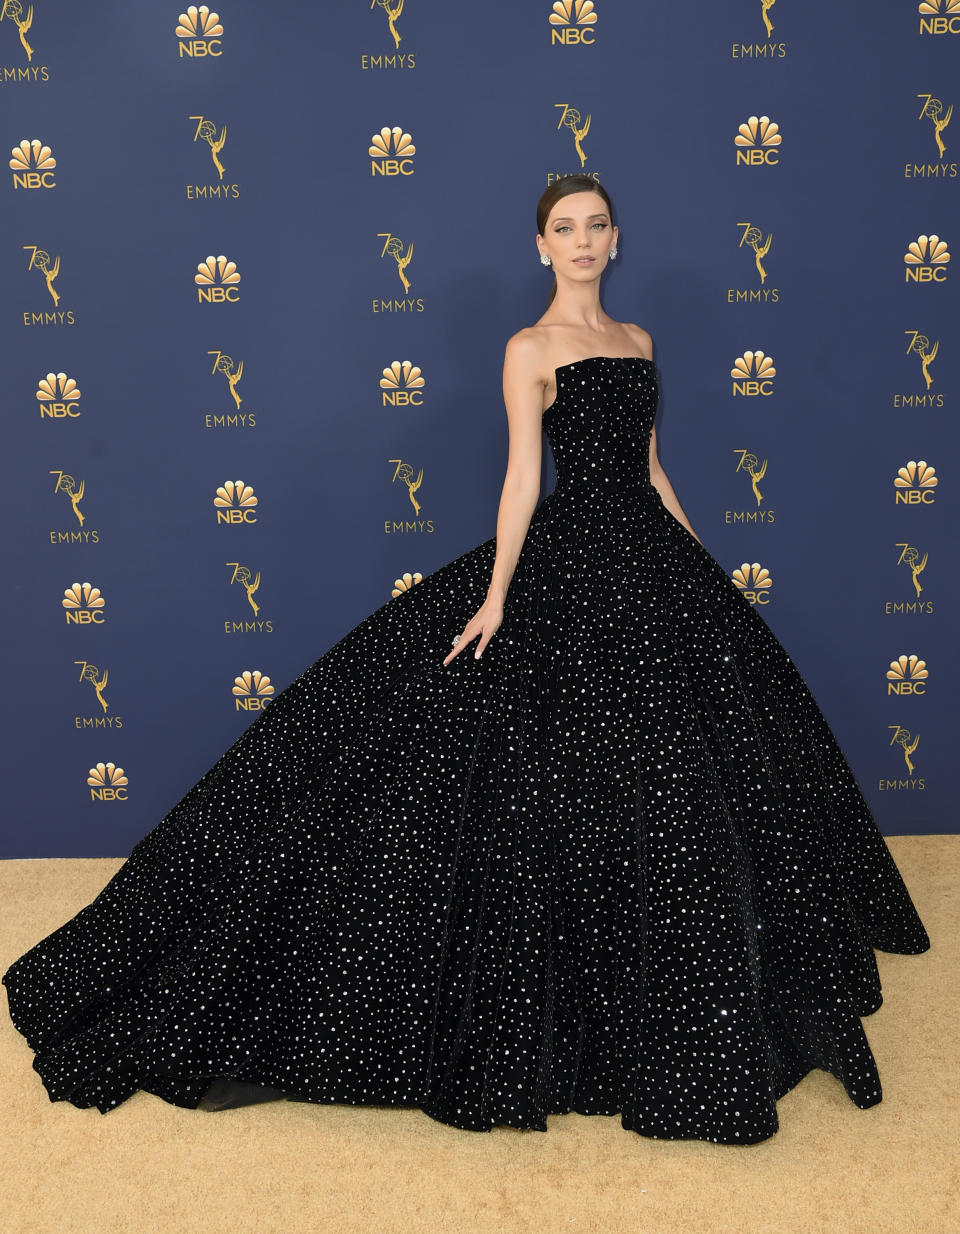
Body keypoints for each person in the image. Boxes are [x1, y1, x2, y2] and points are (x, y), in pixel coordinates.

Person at [2, 175, 930, 1146]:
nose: (582, 241)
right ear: (541, 246)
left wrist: (707, 568)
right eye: (564, 229)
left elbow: (652, 469)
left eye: (596, 226)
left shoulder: (640, 342)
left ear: (616, 239)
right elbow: (526, 476)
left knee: (682, 767)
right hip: (571, 554)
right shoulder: (529, 349)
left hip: (652, 563)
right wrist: (496, 595)